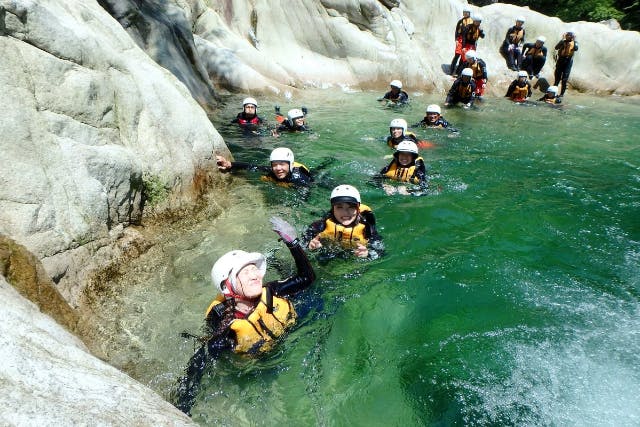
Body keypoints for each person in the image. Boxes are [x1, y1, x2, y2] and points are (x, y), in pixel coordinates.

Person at [174, 217, 316, 415]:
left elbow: (307, 278)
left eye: (254, 269)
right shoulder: (228, 326)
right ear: (228, 286)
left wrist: (293, 243)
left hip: (293, 328)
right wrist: (182, 408)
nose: (255, 275)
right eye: (245, 272)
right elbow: (198, 363)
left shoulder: (273, 291)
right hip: (259, 363)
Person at [304, 185, 383, 259]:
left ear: (358, 209)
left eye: (351, 207)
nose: (345, 212)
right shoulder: (320, 226)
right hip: (328, 252)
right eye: (339, 207)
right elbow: (303, 245)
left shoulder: (367, 227)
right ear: (333, 209)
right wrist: (310, 247)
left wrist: (368, 254)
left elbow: (381, 252)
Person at [216, 147, 312, 187]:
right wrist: (229, 164)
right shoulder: (271, 172)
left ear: (290, 165)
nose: (278, 168)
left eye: (282, 164)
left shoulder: (300, 179)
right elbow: (251, 166)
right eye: (274, 165)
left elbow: (304, 197)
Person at [553, 31, 579, 98]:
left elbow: (576, 48)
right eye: (567, 35)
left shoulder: (575, 43)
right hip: (560, 60)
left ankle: (561, 94)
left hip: (568, 61)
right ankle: (553, 92)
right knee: (557, 78)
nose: (569, 37)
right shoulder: (562, 42)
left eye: (570, 36)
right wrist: (562, 40)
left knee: (564, 79)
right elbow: (556, 47)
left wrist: (574, 40)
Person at [450, 7, 474, 76]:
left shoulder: (472, 22)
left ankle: (459, 72)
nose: (465, 13)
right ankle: (452, 70)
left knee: (463, 58)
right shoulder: (460, 21)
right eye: (464, 12)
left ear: (469, 13)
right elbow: (457, 31)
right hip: (460, 40)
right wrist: (456, 39)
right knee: (457, 55)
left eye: (467, 12)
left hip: (467, 42)